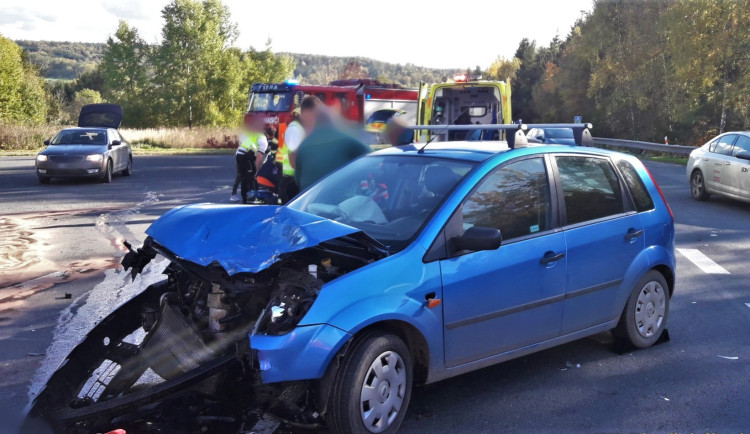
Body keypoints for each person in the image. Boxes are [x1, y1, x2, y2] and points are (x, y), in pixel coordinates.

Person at [295, 107, 371, 191]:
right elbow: (371, 157)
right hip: (337, 195)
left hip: (309, 197)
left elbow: (297, 178)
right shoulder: (344, 139)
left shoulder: (304, 145)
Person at [277, 96, 319, 202]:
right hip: (291, 179)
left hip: (296, 178)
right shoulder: (294, 129)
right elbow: (293, 157)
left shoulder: (302, 129)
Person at [231, 118, 268, 204]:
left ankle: (243, 197)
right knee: (251, 175)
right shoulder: (263, 140)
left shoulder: (255, 135)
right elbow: (259, 157)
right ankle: (254, 196)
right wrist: (259, 170)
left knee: (243, 176)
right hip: (244, 155)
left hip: (240, 154)